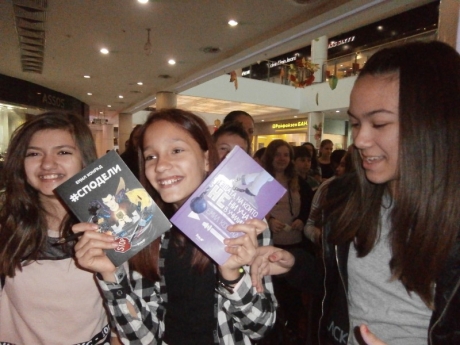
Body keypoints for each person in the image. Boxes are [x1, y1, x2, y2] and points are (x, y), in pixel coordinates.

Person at [251, 41, 460, 345]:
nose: (360, 139)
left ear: (433, 125)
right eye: (355, 123)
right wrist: (295, 265)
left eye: (379, 123)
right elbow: (343, 287)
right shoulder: (348, 199)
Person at [73, 109, 277, 344]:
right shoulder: (142, 227)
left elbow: (260, 327)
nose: (160, 166)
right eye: (151, 156)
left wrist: (232, 276)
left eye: (176, 151)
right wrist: (110, 274)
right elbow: (142, 339)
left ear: (207, 158)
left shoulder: (245, 222)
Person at [0, 112, 117, 344]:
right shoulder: (7, 222)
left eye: (63, 152)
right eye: (34, 154)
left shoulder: (111, 222)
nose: (47, 164)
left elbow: (127, 301)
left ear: (84, 159)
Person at [262, 139, 313, 342]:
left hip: (295, 242)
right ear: (271, 157)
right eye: (278, 154)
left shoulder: (297, 180)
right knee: (276, 292)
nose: (282, 159)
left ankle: (292, 329)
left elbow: (309, 207)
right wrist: (270, 220)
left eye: (286, 155)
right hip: (272, 244)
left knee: (293, 292)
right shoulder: (263, 180)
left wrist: (302, 219)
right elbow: (253, 209)